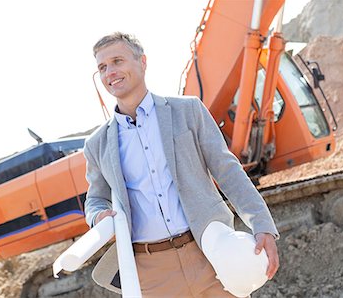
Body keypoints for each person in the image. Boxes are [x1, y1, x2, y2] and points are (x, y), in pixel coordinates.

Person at [84, 31, 280, 297]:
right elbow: (95, 199)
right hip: (152, 271)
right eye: (102, 67)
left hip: (209, 252)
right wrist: (98, 217)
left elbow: (228, 171)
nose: (110, 72)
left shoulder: (188, 111)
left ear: (142, 62)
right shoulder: (97, 144)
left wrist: (262, 225)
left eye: (117, 61)